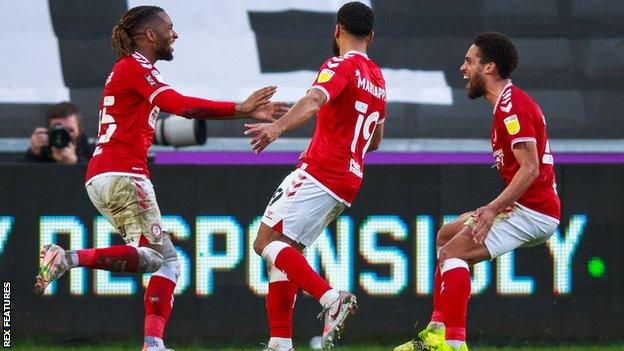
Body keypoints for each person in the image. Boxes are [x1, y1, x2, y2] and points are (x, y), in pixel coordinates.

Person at [33, 6, 287, 351]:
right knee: (153, 257)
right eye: (169, 28)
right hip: (124, 175)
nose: (175, 34)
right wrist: (240, 108)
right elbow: (180, 105)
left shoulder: (129, 71)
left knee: (167, 261)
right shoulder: (134, 67)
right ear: (150, 35)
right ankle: (66, 258)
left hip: (104, 176)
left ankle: (153, 343)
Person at [394, 32, 561, 351]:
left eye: (470, 61)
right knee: (446, 236)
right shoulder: (506, 106)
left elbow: (531, 168)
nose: (463, 68)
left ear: (490, 68)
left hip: (532, 212)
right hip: (528, 209)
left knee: (452, 254)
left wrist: (493, 208)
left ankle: (453, 343)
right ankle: (436, 332)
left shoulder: (512, 107)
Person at [245, 2, 386, 350]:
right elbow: (376, 140)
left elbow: (313, 100)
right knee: (286, 250)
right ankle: (280, 343)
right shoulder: (379, 79)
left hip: (321, 170)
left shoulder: (338, 65)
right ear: (371, 36)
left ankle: (330, 298)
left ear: (337, 30)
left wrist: (276, 127)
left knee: (264, 242)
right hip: (349, 179)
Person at [23, 102, 95, 164]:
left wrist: (76, 163)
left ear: (79, 131)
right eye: (58, 129)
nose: (62, 134)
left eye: (70, 130)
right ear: (49, 131)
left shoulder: (94, 155)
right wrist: (34, 154)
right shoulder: (42, 153)